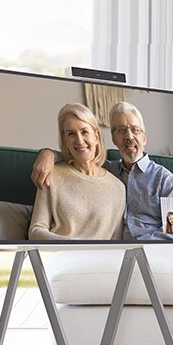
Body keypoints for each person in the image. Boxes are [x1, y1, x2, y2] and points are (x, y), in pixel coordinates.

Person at [31, 101, 173, 241]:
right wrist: (48, 153)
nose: (129, 136)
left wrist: (137, 245)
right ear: (114, 138)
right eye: (121, 130)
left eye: (135, 130)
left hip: (149, 249)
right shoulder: (108, 169)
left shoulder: (164, 179)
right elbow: (81, 157)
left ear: (144, 137)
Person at [29, 103, 125, 241]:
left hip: (98, 260)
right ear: (65, 140)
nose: (79, 141)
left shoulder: (118, 188)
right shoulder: (51, 174)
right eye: (71, 134)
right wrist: (75, 246)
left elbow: (116, 243)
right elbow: (35, 231)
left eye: (84, 132)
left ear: (96, 136)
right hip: (59, 257)